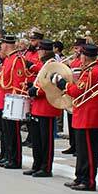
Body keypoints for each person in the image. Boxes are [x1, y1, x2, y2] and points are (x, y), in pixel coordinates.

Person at [59, 44, 98, 191]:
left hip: (89, 115)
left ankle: (89, 180)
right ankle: (80, 177)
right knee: (82, 150)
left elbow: (78, 90)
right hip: (83, 114)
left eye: (81, 55)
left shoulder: (92, 72)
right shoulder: (89, 70)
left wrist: (63, 85)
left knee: (88, 152)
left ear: (85, 56)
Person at [25, 40, 61, 177]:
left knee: (46, 140)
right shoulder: (44, 64)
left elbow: (50, 86)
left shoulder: (53, 65)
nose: (38, 52)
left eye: (39, 50)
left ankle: (46, 167)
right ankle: (37, 164)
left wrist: (36, 91)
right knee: (37, 139)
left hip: (47, 106)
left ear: (44, 51)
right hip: (38, 106)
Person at [0, 35, 28, 169]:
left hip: (12, 100)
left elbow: (18, 81)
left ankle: (15, 159)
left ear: (6, 45)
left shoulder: (17, 59)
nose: (1, 47)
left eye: (2, 44)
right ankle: (9, 156)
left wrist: (15, 100)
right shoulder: (8, 59)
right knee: (7, 131)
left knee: (13, 132)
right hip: (5, 98)